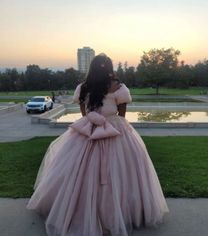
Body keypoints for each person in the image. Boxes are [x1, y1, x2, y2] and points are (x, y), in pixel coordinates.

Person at [27, 54, 169, 236]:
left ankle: (74, 211)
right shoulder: (119, 87)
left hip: (88, 129)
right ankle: (123, 213)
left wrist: (95, 120)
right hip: (114, 128)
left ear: (92, 68)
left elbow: (84, 112)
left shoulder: (84, 87)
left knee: (77, 171)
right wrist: (112, 127)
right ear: (109, 68)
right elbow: (122, 115)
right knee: (123, 171)